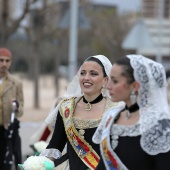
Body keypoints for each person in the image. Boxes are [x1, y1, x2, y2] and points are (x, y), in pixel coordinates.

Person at [93, 54, 170, 170]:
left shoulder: (159, 125)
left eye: (115, 81)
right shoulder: (111, 117)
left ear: (135, 86)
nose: (108, 86)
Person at [39, 55, 117, 170]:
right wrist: (38, 165)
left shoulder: (115, 111)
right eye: (82, 73)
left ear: (105, 80)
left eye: (93, 74)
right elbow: (55, 146)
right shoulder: (66, 107)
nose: (86, 78)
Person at [0, 48, 24, 170]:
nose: (4, 64)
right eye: (1, 60)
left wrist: (16, 107)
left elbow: (21, 110)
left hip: (7, 130)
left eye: (7, 61)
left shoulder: (16, 83)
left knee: (7, 164)